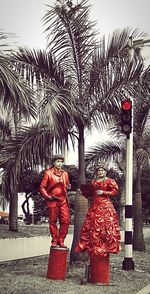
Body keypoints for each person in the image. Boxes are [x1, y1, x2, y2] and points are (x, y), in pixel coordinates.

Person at [75, 162, 121, 256]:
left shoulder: (109, 181)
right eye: (99, 170)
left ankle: (106, 246)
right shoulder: (94, 181)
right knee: (92, 226)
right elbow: (90, 193)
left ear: (105, 171)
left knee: (105, 226)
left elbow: (115, 191)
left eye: (102, 170)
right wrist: (82, 192)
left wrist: (103, 192)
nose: (100, 172)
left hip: (105, 205)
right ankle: (94, 245)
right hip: (94, 206)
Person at [40, 155, 71, 248]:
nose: (60, 163)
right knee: (52, 221)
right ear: (54, 163)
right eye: (58, 161)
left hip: (63, 200)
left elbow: (67, 185)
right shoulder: (48, 173)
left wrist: (68, 187)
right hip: (53, 200)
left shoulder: (65, 174)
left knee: (65, 221)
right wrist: (47, 196)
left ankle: (61, 240)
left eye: (61, 162)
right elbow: (42, 187)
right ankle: (54, 240)